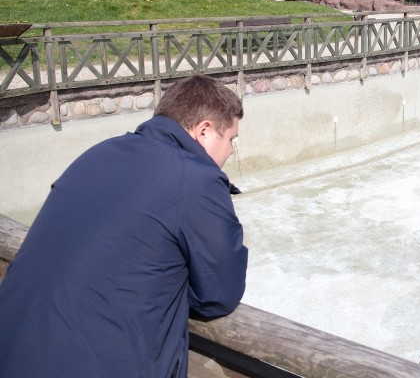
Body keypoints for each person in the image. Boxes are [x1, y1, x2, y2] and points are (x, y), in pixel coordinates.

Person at [0, 74, 249, 377]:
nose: (231, 151)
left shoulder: (98, 153)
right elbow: (220, 294)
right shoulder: (197, 178)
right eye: (231, 139)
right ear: (204, 131)